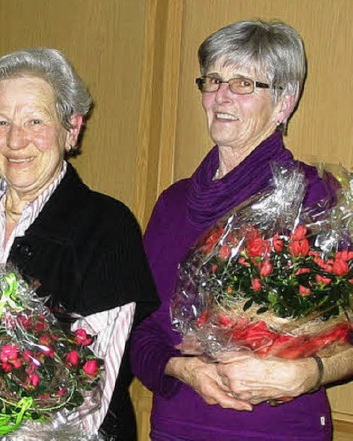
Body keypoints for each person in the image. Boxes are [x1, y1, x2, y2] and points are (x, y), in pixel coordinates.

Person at [130, 19, 353, 440]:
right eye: (213, 80)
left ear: (284, 102)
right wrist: (182, 368)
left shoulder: (317, 198)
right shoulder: (173, 204)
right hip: (178, 426)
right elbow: (141, 331)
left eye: (243, 83)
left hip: (280, 429)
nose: (221, 96)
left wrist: (308, 373)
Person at [0, 47, 159, 440]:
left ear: (72, 128)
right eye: (1, 121)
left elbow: (95, 387)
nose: (16, 140)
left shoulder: (106, 226)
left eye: (35, 120)